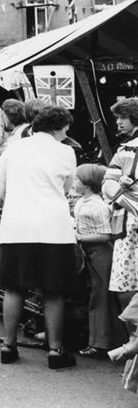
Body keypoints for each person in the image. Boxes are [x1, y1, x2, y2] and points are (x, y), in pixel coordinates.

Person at [0, 106, 79, 369]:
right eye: (65, 130)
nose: (65, 135)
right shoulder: (66, 152)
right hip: (54, 228)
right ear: (59, 128)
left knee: (14, 288)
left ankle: (8, 345)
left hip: (16, 227)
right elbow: (68, 187)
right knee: (54, 290)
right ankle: (55, 351)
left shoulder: (13, 149)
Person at [73, 163, 116, 358]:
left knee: (99, 298)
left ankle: (100, 343)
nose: (74, 182)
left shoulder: (97, 205)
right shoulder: (83, 200)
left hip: (99, 254)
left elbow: (106, 234)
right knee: (93, 296)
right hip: (88, 252)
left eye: (77, 179)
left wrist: (79, 237)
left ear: (88, 183)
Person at [106, 98, 138, 312]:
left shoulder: (128, 148)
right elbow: (106, 182)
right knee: (124, 285)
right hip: (128, 222)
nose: (118, 122)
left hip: (130, 222)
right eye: (117, 117)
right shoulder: (125, 148)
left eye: (123, 117)